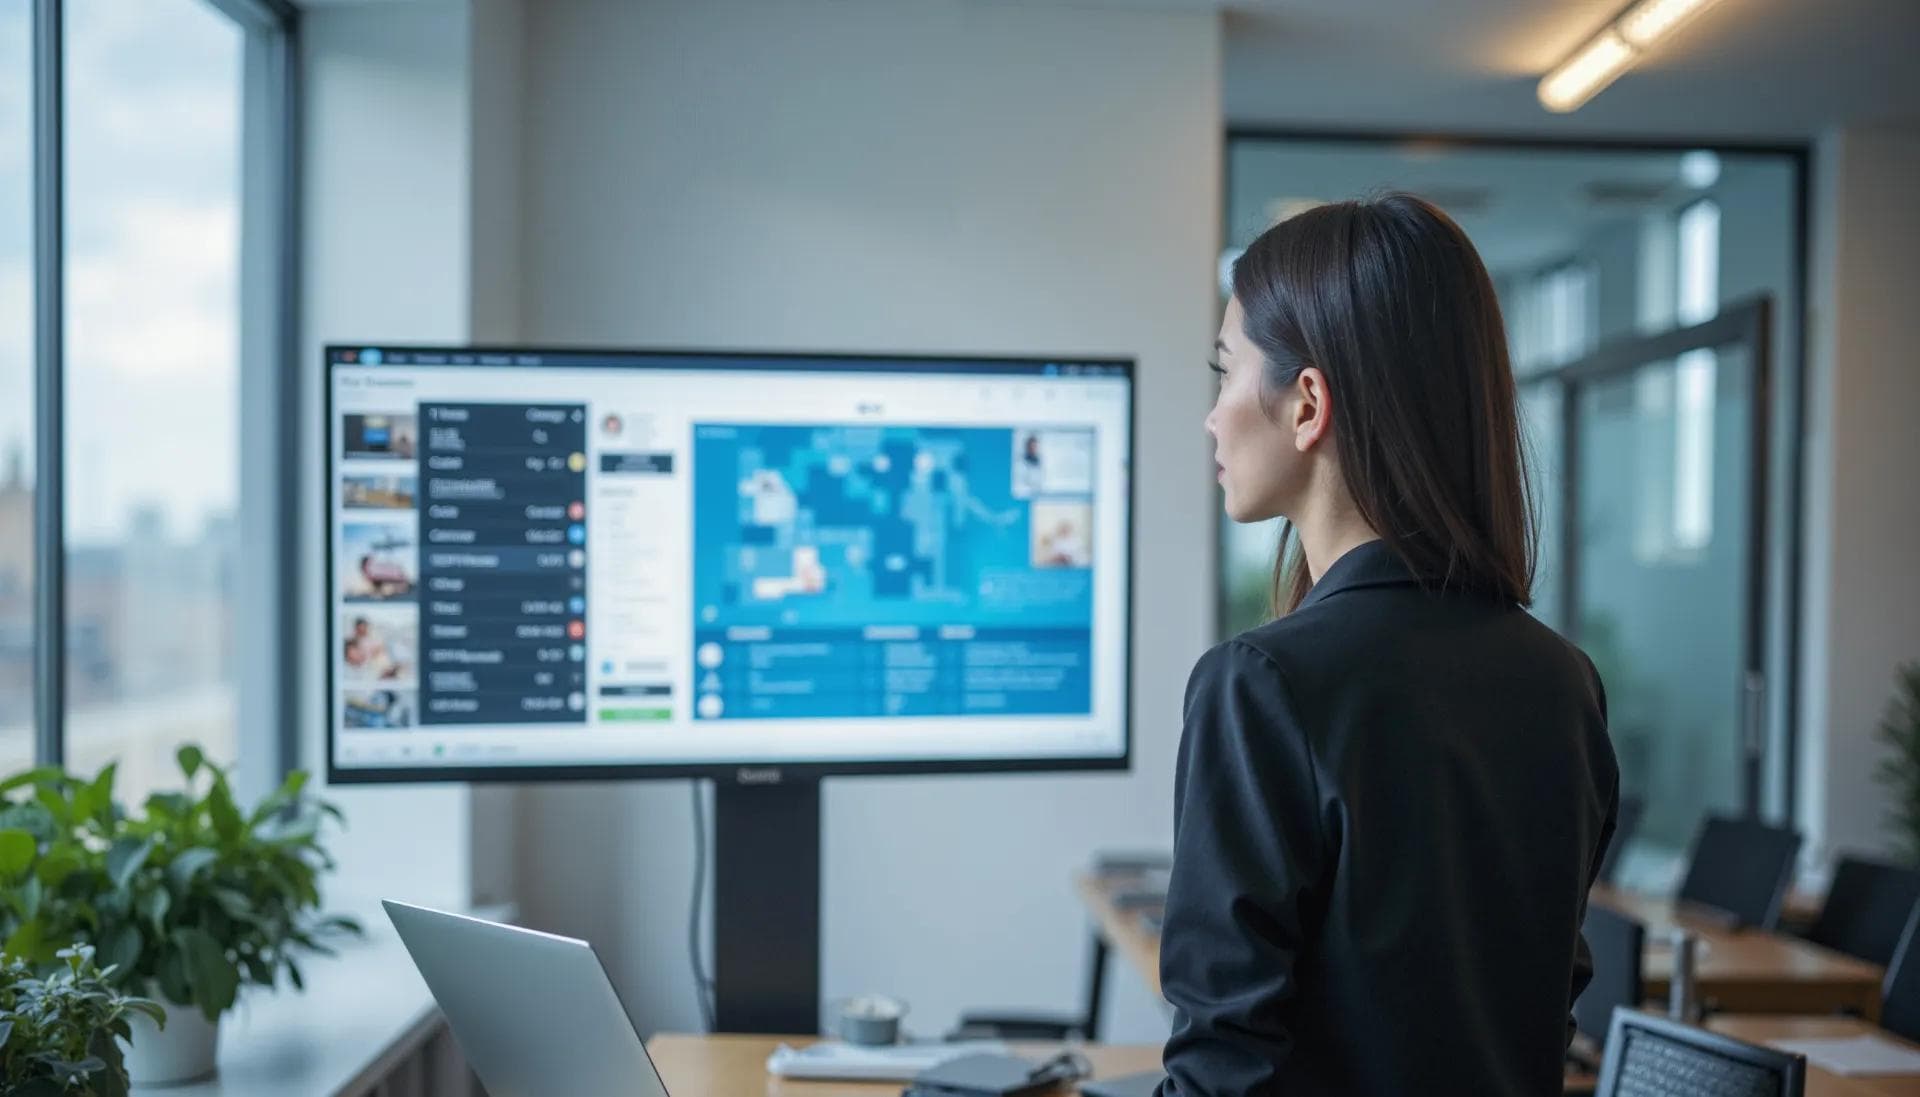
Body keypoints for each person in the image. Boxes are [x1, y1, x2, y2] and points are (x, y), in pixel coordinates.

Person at [1159, 194, 1618, 1096]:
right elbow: (1541, 1016)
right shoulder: (1564, 682)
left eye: (1224, 373)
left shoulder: (1262, 685)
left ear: (1307, 404)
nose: (1212, 417)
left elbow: (1222, 1067)